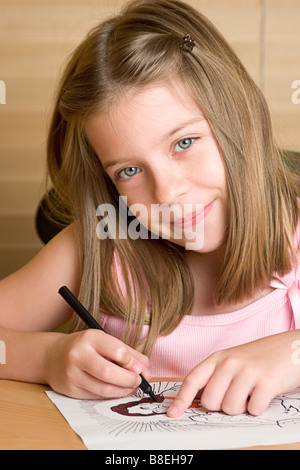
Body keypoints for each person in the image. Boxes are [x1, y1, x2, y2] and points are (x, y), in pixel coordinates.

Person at [0, 0, 299, 419]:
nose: (168, 193)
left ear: (238, 119)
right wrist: (45, 356)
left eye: (184, 143)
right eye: (130, 170)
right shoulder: (102, 248)